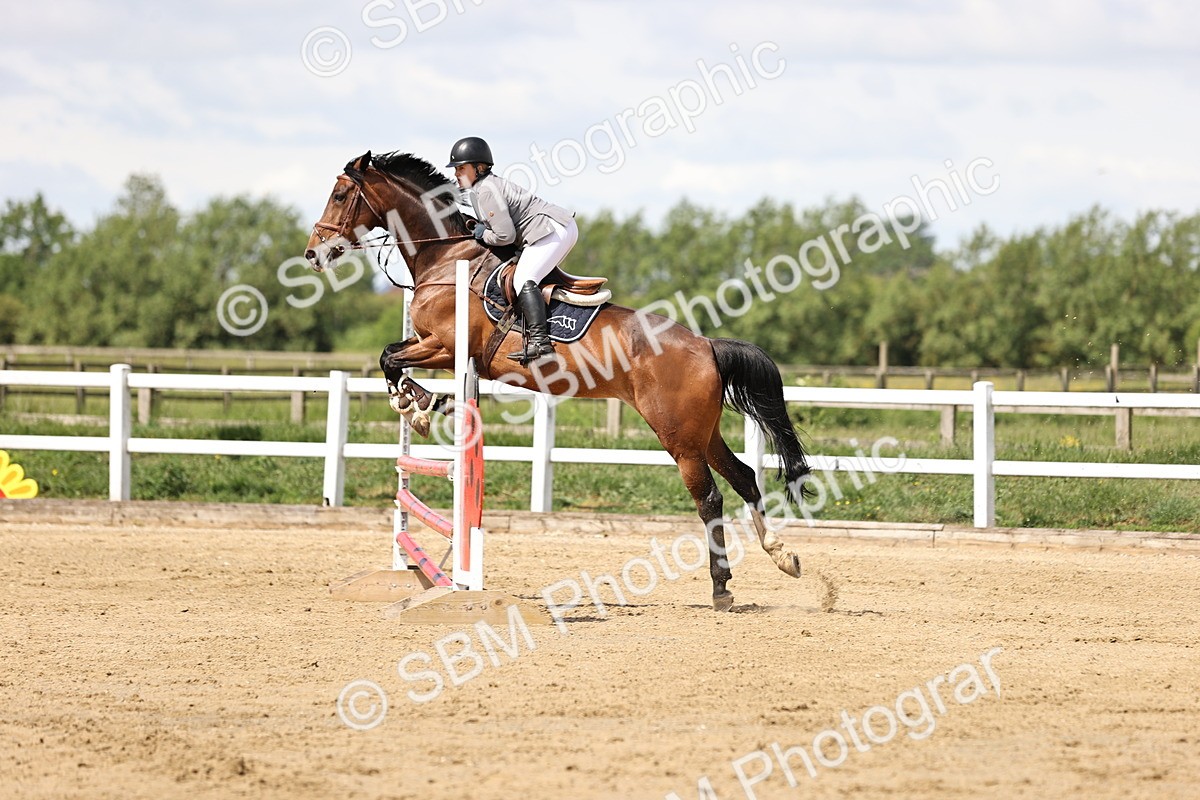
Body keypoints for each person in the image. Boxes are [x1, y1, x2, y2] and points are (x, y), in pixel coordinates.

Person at [447, 136, 578, 365]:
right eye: (456, 169)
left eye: (461, 168)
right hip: (550, 230)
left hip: (551, 230)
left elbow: (503, 236)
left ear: (479, 168)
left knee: (523, 279)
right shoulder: (481, 189)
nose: (456, 174)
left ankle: (541, 343)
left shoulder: (486, 190)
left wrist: (481, 233)